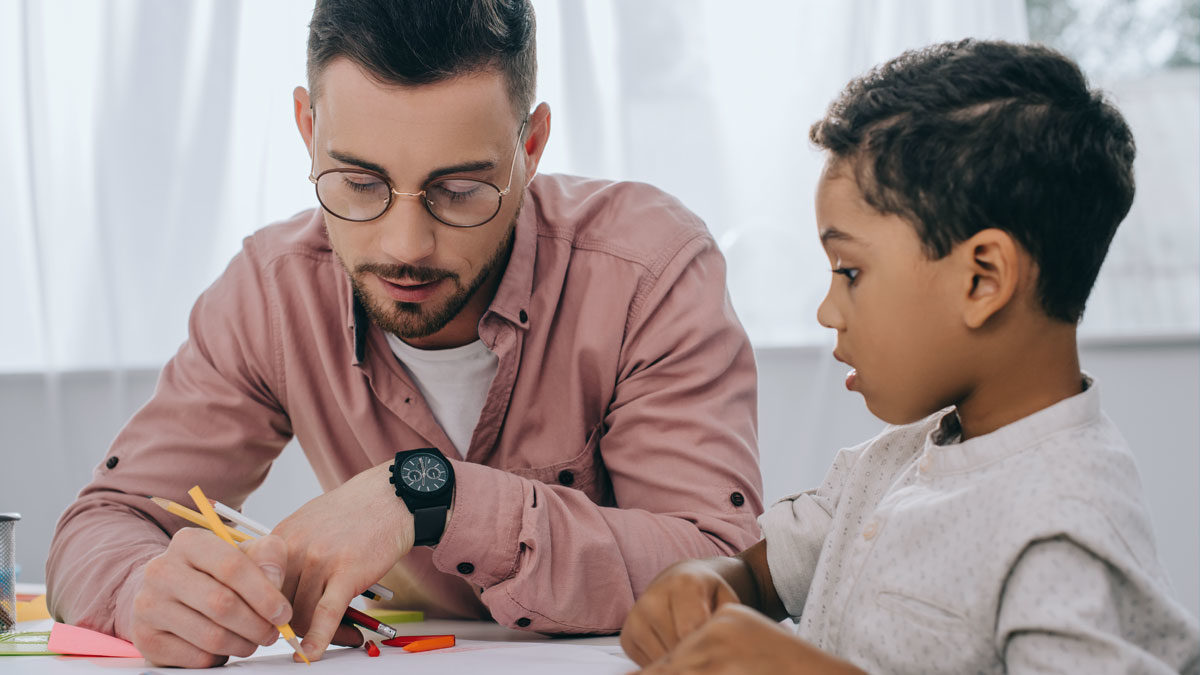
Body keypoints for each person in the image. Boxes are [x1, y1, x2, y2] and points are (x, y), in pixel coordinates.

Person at [45, 0, 763, 667]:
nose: (407, 244)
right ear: (307, 129)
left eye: (459, 190)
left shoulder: (649, 270)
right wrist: (147, 590)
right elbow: (102, 520)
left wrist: (432, 495)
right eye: (359, 183)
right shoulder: (273, 291)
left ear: (532, 144)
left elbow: (721, 565)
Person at [620, 39, 1200, 674]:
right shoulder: (889, 463)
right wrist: (710, 584)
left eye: (850, 271)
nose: (827, 310)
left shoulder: (1070, 529)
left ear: (982, 279)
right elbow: (763, 578)